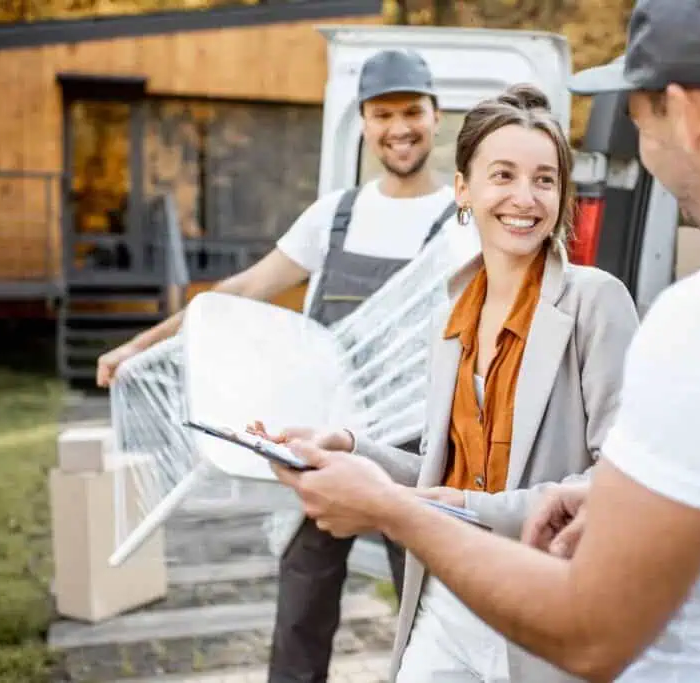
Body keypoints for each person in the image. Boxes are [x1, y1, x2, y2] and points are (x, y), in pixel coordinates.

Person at [262, 1, 700, 682]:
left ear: (687, 114)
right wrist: (619, 498)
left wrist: (389, 508)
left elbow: (591, 634)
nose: (646, 155)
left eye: (641, 122)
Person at [95, 48, 461, 683]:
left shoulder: (461, 222)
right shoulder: (336, 215)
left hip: (415, 449)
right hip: (321, 444)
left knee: (423, 616)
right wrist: (141, 346)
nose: (399, 128)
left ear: (435, 116)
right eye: (383, 114)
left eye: (412, 112)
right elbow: (237, 295)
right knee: (301, 606)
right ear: (365, 123)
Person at [253, 82, 639, 683]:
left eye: (544, 179)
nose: (525, 198)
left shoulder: (596, 303)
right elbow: (439, 476)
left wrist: (469, 509)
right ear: (464, 188)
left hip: (542, 612)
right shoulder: (449, 316)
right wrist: (352, 448)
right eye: (503, 175)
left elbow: (620, 483)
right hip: (446, 601)